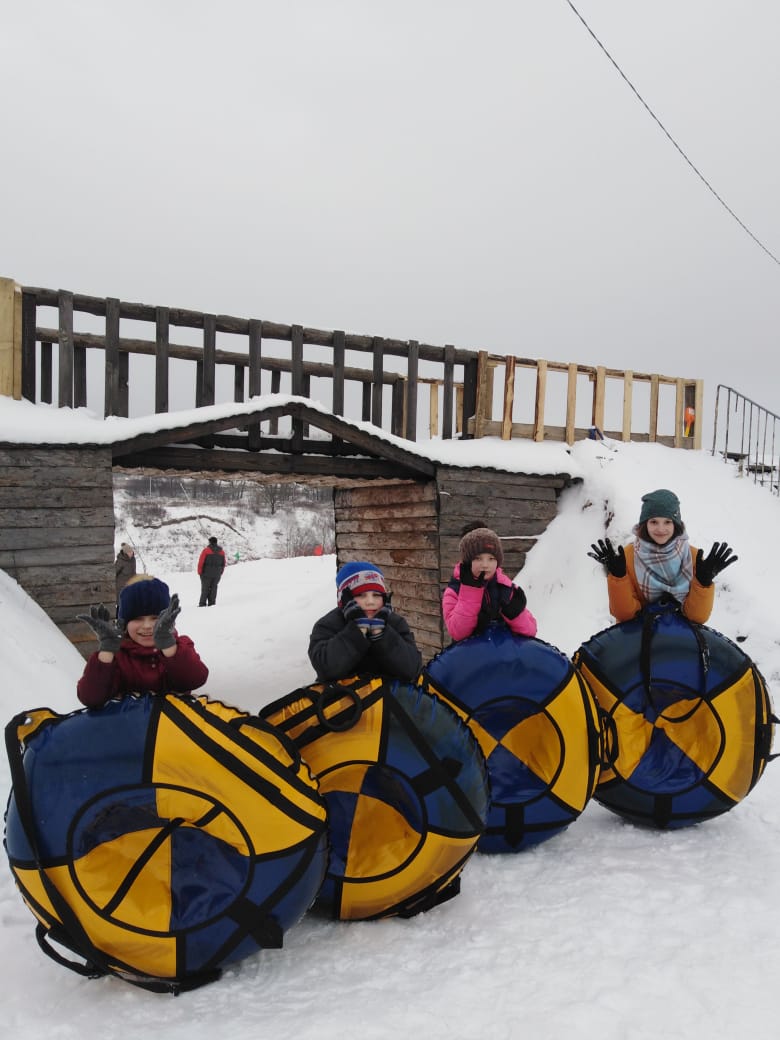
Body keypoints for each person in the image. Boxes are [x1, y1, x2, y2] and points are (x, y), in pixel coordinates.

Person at [587, 488, 737, 624]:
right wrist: (618, 578)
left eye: (667, 522)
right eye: (654, 522)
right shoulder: (628, 557)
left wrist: (703, 583)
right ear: (645, 524)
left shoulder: (692, 557)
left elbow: (696, 618)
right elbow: (625, 616)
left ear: (676, 524)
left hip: (678, 637)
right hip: (638, 636)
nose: (661, 529)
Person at [76, 574, 209, 708]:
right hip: (128, 720)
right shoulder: (118, 655)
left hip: (174, 719)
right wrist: (106, 651)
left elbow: (195, 679)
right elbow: (90, 698)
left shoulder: (179, 647)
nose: (146, 626)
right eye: (137, 619)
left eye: (155, 618)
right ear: (124, 624)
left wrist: (168, 646)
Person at [308, 561, 422, 682]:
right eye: (361, 595)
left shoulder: (396, 623)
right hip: (342, 693)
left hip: (389, 693)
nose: (370, 602)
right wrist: (357, 631)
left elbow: (412, 670)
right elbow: (325, 670)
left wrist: (381, 634)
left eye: (376, 595)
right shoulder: (328, 624)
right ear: (345, 598)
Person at [442, 522, 537, 642]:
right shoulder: (454, 590)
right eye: (477, 558)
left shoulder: (505, 587)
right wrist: (470, 591)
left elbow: (530, 632)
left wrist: (515, 614)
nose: (485, 565)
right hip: (470, 653)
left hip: (502, 651)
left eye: (491, 558)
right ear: (466, 561)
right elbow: (458, 633)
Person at [197, 535, 226, 606]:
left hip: (206, 574)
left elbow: (201, 562)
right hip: (217, 574)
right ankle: (212, 603)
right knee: (214, 588)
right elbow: (223, 563)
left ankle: (202, 604)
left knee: (205, 589)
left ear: (210, 542)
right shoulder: (222, 552)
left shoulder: (206, 550)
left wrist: (199, 572)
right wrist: (221, 572)